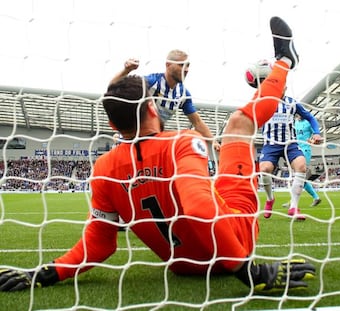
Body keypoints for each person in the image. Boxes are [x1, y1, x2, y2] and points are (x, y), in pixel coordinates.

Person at [0, 16, 315, 294]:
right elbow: (199, 208)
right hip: (233, 244)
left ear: (112, 125)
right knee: (239, 123)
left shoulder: (104, 168)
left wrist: (44, 273)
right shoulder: (180, 143)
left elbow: (99, 244)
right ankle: (285, 62)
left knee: (206, 187)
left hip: (182, 265)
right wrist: (248, 271)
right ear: (152, 107)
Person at [110, 50, 220, 152]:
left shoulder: (183, 94)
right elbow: (114, 87)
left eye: (188, 66)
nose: (186, 70)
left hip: (154, 138)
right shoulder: (152, 82)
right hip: (131, 137)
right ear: (168, 65)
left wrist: (213, 140)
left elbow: (197, 122)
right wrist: (126, 70)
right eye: (181, 65)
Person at [260, 98, 322, 220]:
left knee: (301, 166)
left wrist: (316, 132)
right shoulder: (263, 101)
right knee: (264, 169)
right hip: (271, 143)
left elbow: (310, 117)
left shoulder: (291, 103)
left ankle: (294, 207)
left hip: (290, 144)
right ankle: (270, 199)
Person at [281, 114, 322, 209]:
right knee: (300, 178)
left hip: (306, 150)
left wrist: (312, 140)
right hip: (297, 149)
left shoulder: (308, 122)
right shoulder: (295, 122)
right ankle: (315, 198)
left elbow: (315, 135)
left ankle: (294, 202)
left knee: (299, 176)